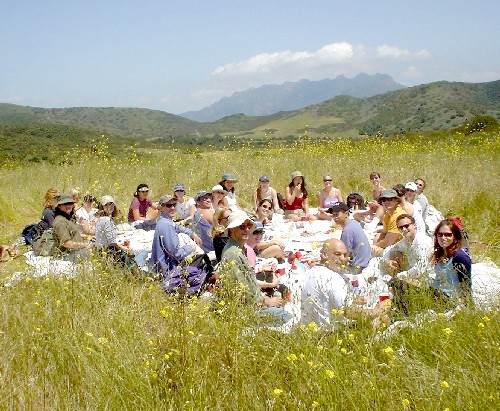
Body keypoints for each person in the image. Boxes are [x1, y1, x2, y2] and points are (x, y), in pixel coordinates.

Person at [301, 239, 388, 330]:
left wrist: (352, 300)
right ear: (324, 255)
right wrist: (378, 310)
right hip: (330, 334)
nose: (343, 259)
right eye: (337, 254)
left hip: (311, 332)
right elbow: (349, 312)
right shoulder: (332, 277)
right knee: (382, 319)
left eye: (345, 255)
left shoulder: (310, 273)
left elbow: (325, 299)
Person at [220, 210, 289, 323]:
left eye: (248, 226)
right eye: (242, 226)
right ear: (232, 229)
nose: (247, 229)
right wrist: (265, 301)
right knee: (288, 317)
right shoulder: (233, 254)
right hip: (247, 309)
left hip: (253, 300)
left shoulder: (238, 248)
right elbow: (242, 289)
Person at [151, 195, 209, 295]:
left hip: (166, 266)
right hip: (169, 270)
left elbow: (177, 227)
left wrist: (192, 234)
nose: (173, 208)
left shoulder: (165, 221)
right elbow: (175, 253)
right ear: (161, 208)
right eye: (169, 205)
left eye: (174, 205)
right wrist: (191, 247)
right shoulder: (166, 225)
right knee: (204, 264)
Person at [431, 218, 472, 302]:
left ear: (455, 237)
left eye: (448, 235)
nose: (443, 238)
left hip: (449, 300)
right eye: (440, 234)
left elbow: (466, 285)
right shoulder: (441, 254)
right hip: (436, 294)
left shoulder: (459, 257)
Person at [95, 195, 137, 268]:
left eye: (111, 204)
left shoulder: (103, 218)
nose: (109, 207)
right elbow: (112, 243)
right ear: (102, 207)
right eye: (106, 205)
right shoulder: (106, 220)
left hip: (104, 250)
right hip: (108, 253)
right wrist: (125, 249)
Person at [329, 203, 371, 271]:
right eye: (333, 215)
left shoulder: (347, 231)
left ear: (346, 213)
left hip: (358, 267)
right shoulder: (354, 223)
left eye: (337, 214)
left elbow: (344, 257)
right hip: (366, 262)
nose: (334, 218)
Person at [52, 193, 92, 261]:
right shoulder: (60, 222)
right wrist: (85, 245)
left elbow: (72, 234)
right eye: (65, 204)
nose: (68, 206)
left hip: (75, 250)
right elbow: (66, 243)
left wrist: (86, 237)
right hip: (67, 255)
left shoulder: (67, 218)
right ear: (59, 206)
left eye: (70, 203)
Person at [371, 189, 405, 255]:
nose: (386, 202)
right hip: (393, 246)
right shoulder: (388, 214)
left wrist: (374, 245)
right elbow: (384, 233)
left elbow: (387, 242)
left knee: (367, 248)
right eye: (384, 200)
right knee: (377, 237)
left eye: (390, 199)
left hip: (400, 251)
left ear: (396, 201)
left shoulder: (398, 216)